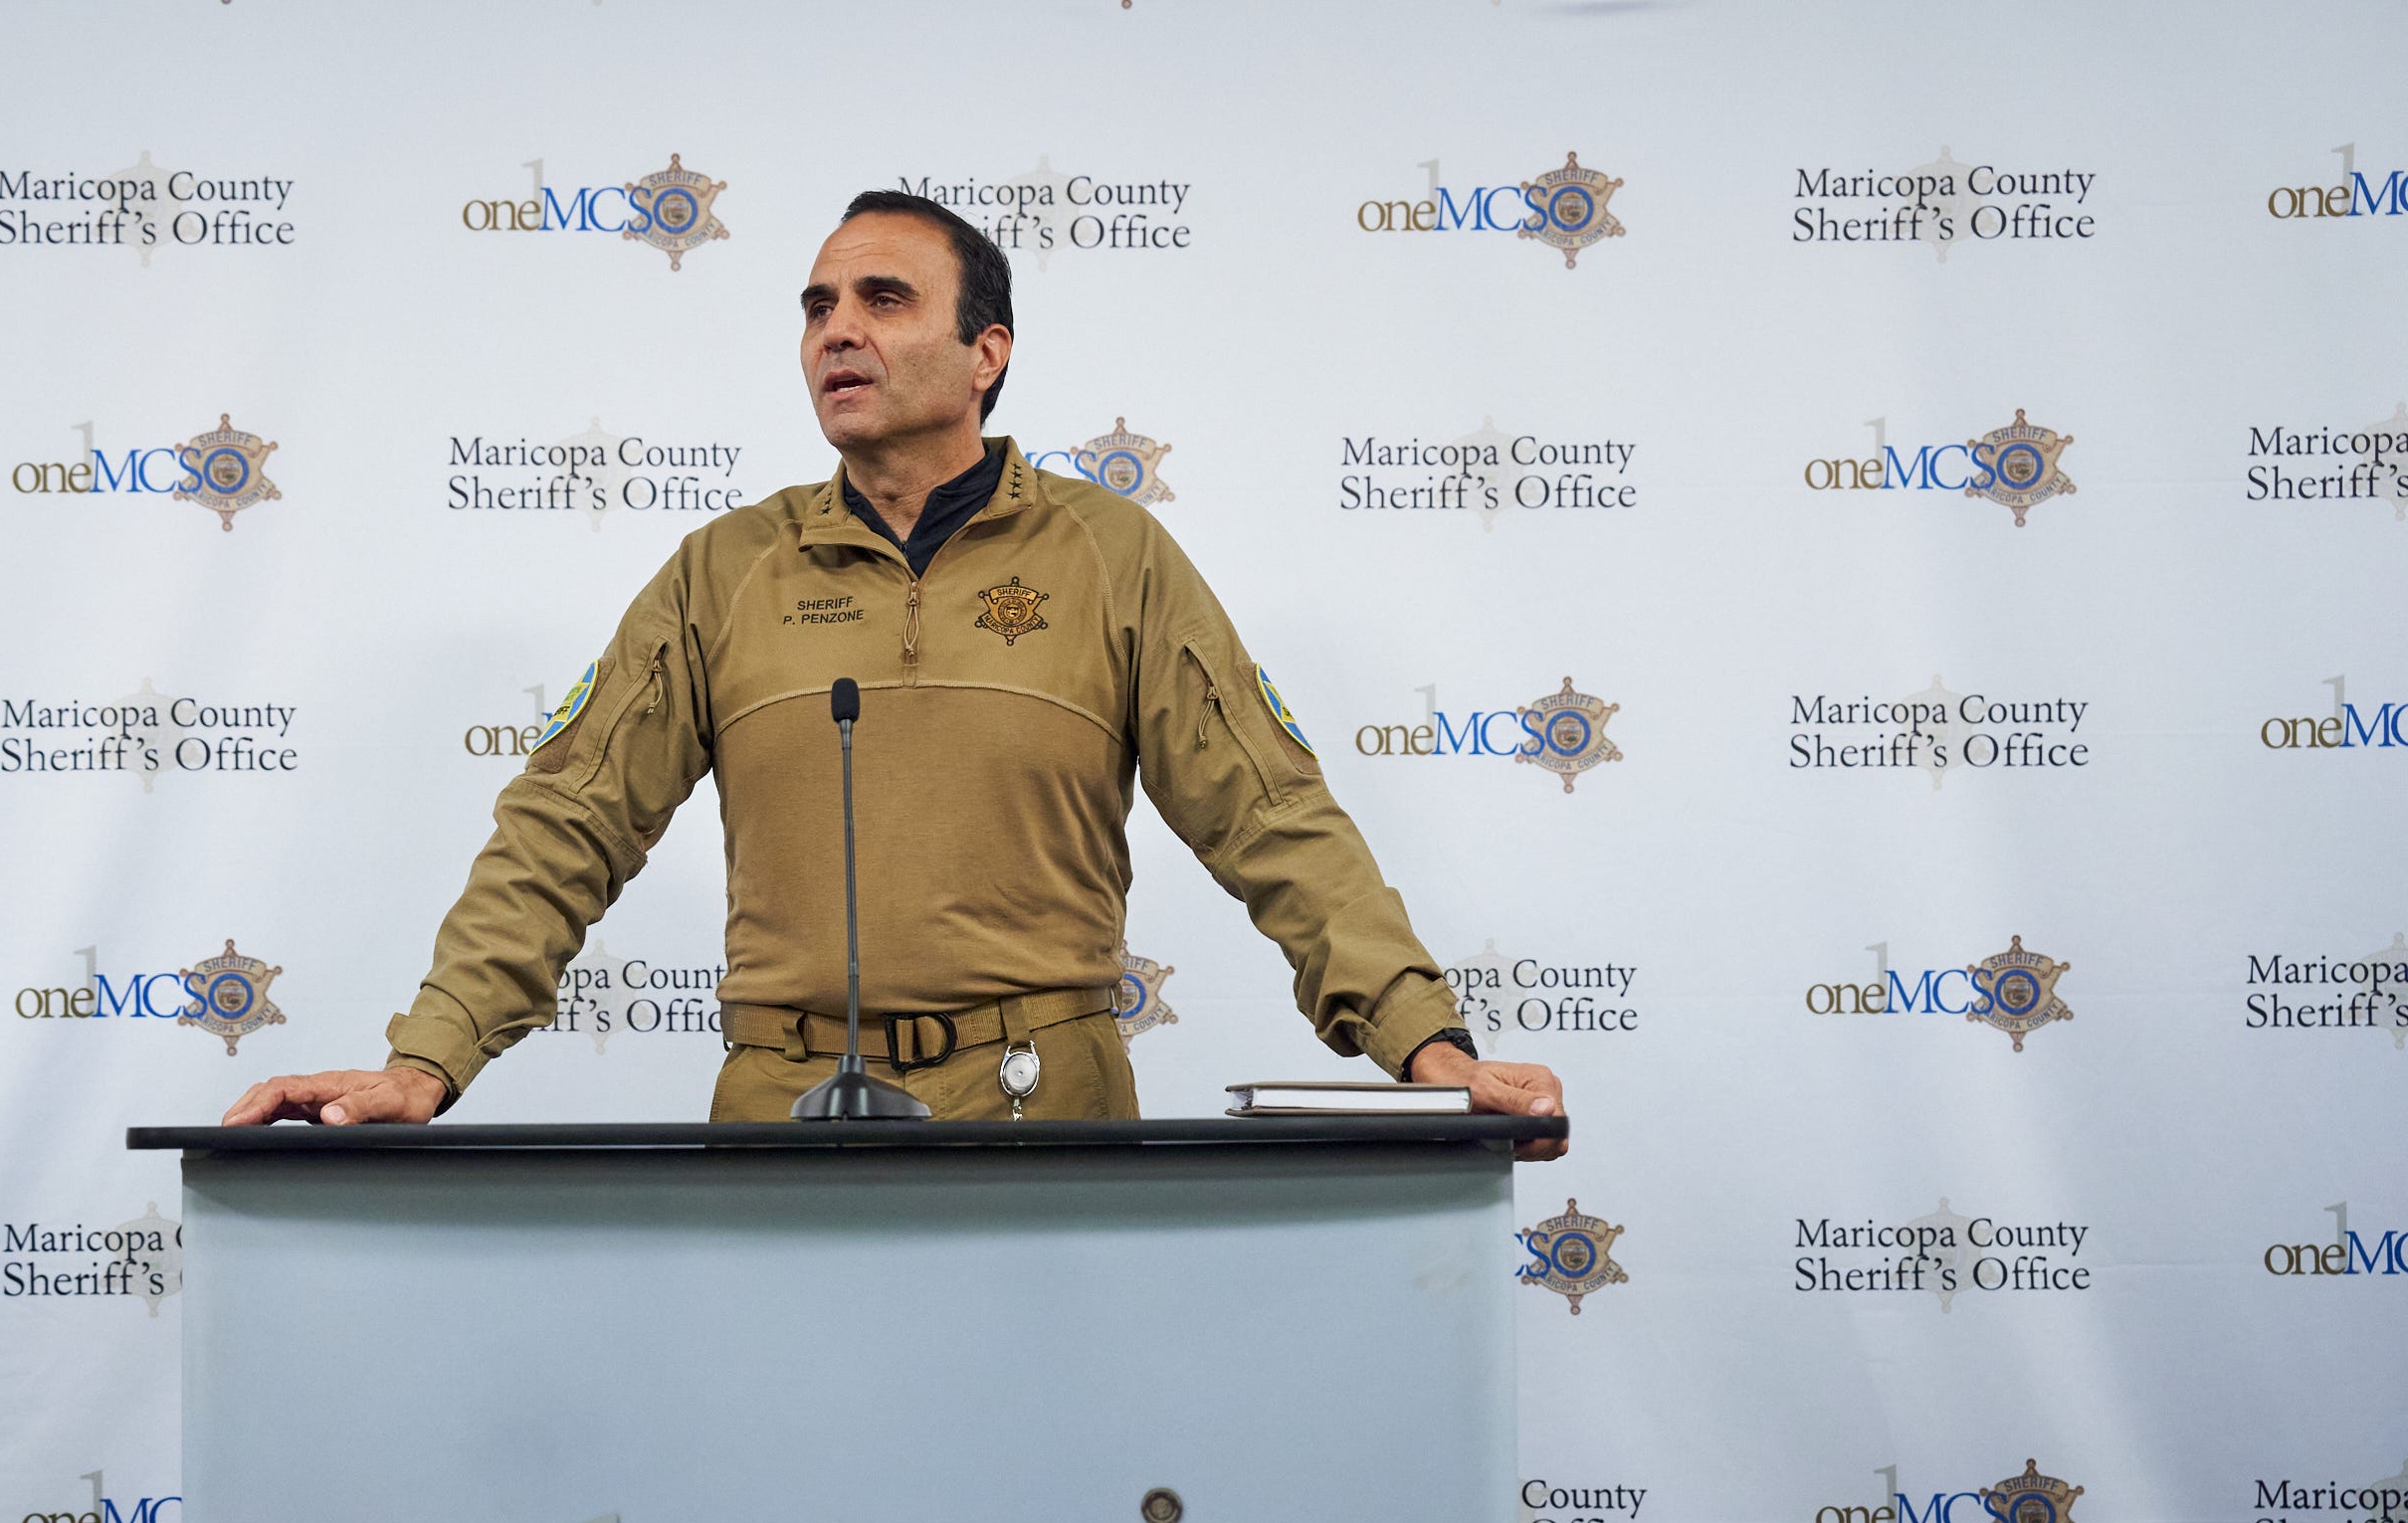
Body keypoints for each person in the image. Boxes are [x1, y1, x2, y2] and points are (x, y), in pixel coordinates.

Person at [226, 190, 1565, 1153]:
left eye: (883, 300)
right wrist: (427, 1060)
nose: (836, 331)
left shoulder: (1112, 556)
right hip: (782, 1116)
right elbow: (564, 826)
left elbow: (1272, 816)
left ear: (988, 353)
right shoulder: (726, 570)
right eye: (817, 306)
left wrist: (1423, 1042)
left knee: (1048, 1462)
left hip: (1046, 1108)